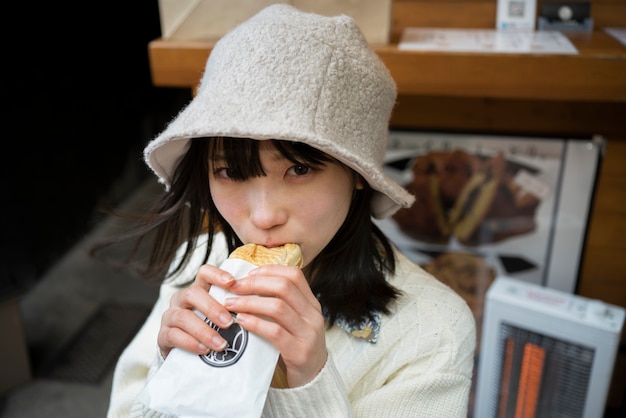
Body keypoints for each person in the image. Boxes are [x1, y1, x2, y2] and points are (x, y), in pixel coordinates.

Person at [103, 4, 476, 417]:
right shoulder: (200, 261)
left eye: (299, 169)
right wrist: (171, 371)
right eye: (230, 171)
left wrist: (309, 381)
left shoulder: (434, 333)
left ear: (357, 174)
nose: (263, 217)